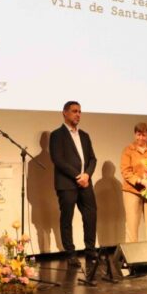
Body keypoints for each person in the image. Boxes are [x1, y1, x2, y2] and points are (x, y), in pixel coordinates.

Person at [49, 101, 97, 267]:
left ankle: (90, 249)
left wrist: (87, 175)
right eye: (75, 111)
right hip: (67, 184)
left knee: (90, 214)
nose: (78, 114)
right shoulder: (57, 135)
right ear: (65, 113)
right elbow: (58, 160)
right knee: (67, 218)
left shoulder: (84, 135)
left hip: (85, 182)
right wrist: (78, 176)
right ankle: (70, 253)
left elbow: (92, 159)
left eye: (80, 111)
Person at [120, 122, 147, 242]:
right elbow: (125, 171)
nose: (140, 138)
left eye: (143, 135)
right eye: (138, 134)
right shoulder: (128, 150)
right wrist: (140, 181)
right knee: (132, 226)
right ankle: (132, 257)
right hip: (132, 191)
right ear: (135, 134)